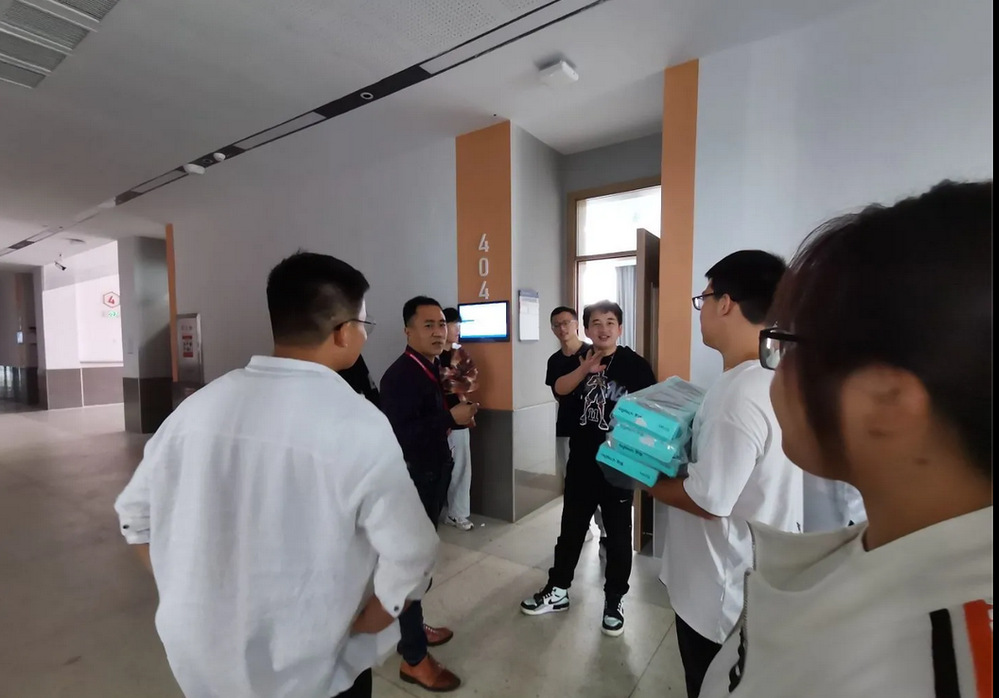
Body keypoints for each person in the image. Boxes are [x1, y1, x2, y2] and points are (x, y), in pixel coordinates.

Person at [700, 181, 993, 698]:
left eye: (791, 344)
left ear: (887, 399)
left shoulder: (916, 670)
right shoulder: (888, 547)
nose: (777, 369)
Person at [114, 252, 439, 698]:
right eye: (365, 323)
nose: (364, 334)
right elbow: (413, 554)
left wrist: (183, 586)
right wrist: (367, 622)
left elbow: (136, 520)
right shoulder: (358, 423)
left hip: (204, 665)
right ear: (342, 331)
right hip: (315, 670)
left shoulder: (195, 409)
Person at [647, 250, 803, 698]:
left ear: (726, 303)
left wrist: (641, 477)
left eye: (704, 298)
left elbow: (708, 500)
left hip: (721, 597)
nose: (701, 310)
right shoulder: (773, 375)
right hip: (755, 578)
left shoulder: (738, 393)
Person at [521, 301, 656, 637]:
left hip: (618, 463)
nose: (603, 329)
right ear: (587, 328)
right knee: (571, 528)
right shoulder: (575, 360)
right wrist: (585, 369)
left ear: (620, 328)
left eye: (610, 322)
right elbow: (560, 389)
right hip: (582, 460)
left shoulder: (635, 365)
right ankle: (558, 590)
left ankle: (614, 600)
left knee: (619, 534)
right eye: (596, 322)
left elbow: (650, 413)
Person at [380, 296, 478, 692]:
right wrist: (449, 417)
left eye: (441, 324)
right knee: (410, 564)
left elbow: (435, 414)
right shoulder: (400, 376)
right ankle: (414, 659)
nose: (439, 332)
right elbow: (400, 434)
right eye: (428, 325)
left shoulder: (433, 366)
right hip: (413, 478)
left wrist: (458, 410)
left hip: (433, 472)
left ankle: (414, 627)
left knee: (420, 562)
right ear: (408, 330)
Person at [546, 306, 603, 542]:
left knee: (597, 482)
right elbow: (558, 393)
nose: (562, 328)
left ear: (576, 324)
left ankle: (605, 531)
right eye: (557, 325)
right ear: (552, 329)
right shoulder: (554, 361)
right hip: (567, 428)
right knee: (573, 483)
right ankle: (582, 527)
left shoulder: (594, 352)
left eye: (566, 323)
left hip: (594, 430)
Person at [439, 307, 479, 532]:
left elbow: (472, 380)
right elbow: (437, 382)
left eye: (459, 325)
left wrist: (449, 379)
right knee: (437, 469)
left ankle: (458, 513)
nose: (458, 330)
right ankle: (436, 509)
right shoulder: (433, 355)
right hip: (437, 418)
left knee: (462, 469)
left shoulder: (460, 354)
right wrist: (455, 379)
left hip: (460, 418)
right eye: (454, 325)